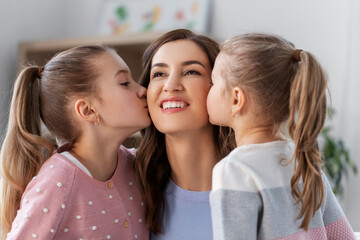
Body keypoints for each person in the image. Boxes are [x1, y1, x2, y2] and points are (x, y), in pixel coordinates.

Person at [207, 33, 355, 239]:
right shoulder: (305, 162)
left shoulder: (234, 170)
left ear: (236, 99)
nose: (209, 90)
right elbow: (344, 236)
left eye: (213, 82)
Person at [0, 45, 150, 240]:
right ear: (87, 111)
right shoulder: (56, 183)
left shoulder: (136, 165)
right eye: (124, 83)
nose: (143, 90)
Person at [134, 29, 235, 240]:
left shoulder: (272, 178)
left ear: (220, 88)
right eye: (159, 74)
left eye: (191, 72)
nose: (170, 86)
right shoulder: (125, 179)